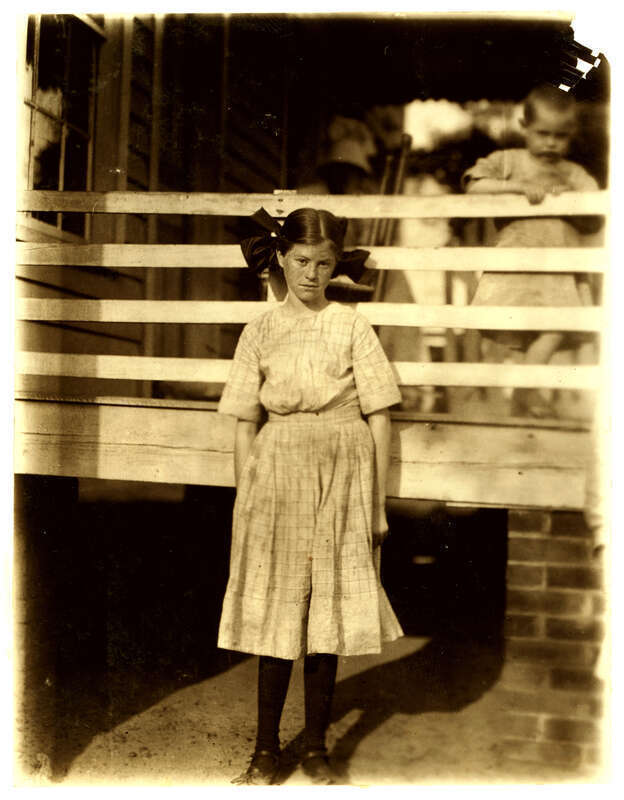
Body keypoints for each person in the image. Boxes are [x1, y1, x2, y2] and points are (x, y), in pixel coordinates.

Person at [217, 208, 403, 785]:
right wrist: (245, 491)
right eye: (300, 261)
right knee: (277, 612)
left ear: (335, 266)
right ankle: (265, 750)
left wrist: (375, 503)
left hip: (344, 469)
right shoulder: (261, 329)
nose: (311, 274)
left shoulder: (351, 325)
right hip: (277, 469)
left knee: (329, 612)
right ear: (280, 258)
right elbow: (245, 420)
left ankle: (318, 747)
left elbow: (379, 418)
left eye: (323, 264)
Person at [462, 84, 601, 417]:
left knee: (558, 327)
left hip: (559, 272)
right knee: (521, 328)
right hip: (518, 266)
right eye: (542, 133)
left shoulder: (573, 173)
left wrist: (571, 199)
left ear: (572, 134)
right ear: (524, 127)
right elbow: (473, 186)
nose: (551, 143)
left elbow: (597, 211)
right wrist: (520, 187)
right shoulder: (507, 161)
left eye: (561, 135)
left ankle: (524, 392)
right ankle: (512, 397)